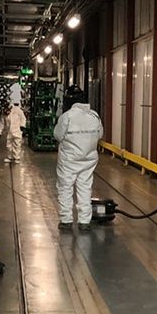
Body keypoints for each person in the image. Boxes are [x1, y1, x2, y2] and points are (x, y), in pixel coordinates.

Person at [53, 85, 103, 231]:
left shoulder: (67, 117)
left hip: (69, 160)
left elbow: (57, 135)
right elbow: (100, 135)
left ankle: (66, 220)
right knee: (85, 188)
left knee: (65, 188)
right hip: (88, 160)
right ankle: (84, 221)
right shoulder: (94, 116)